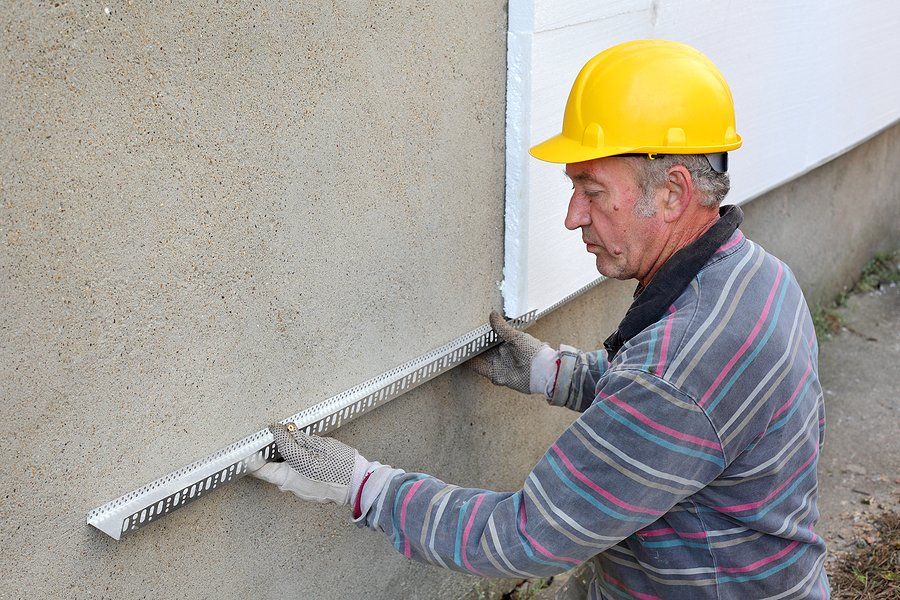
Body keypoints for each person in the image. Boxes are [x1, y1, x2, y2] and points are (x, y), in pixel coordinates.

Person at [251, 40, 828, 598]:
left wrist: (360, 486)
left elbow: (523, 536)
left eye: (591, 189)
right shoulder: (755, 276)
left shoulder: (682, 367)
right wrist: (549, 371)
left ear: (673, 192)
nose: (574, 216)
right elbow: (667, 403)